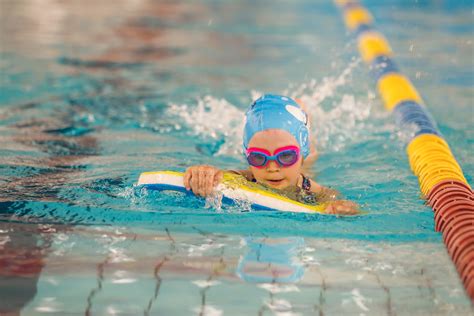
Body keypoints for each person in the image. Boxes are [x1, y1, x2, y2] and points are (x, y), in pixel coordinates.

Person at [183, 94, 359, 215]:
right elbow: (218, 175)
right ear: (248, 156)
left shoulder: (309, 188)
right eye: (259, 157)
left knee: (311, 157)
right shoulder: (245, 178)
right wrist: (204, 173)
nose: (273, 168)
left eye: (286, 156)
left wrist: (342, 207)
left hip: (304, 162)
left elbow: (340, 200)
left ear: (298, 154)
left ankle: (302, 114)